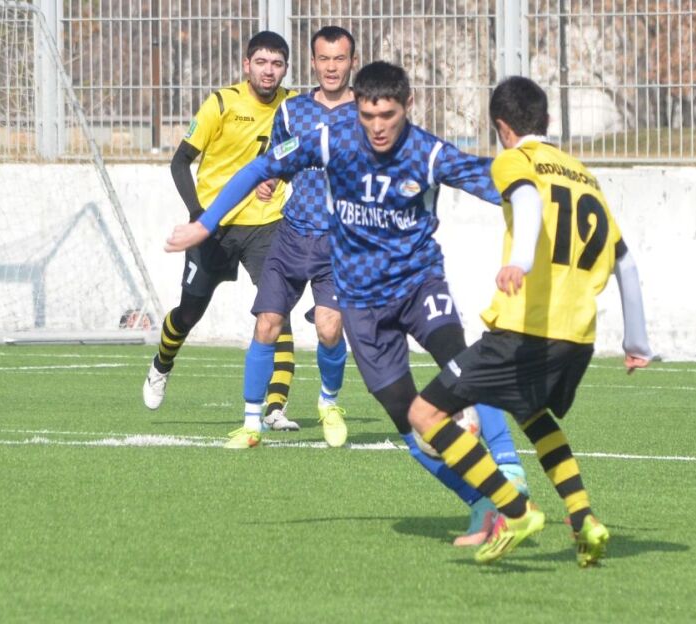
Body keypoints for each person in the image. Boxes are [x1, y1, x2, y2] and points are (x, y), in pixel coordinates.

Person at [164, 61, 530, 546]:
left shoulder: (428, 152)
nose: (377, 126)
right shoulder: (328, 140)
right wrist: (205, 224)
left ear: (408, 106)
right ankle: (482, 504)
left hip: (419, 285)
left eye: (388, 115)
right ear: (357, 107)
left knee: (458, 360)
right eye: (368, 115)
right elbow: (260, 167)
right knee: (407, 418)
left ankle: (509, 468)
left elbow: (500, 181)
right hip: (362, 302)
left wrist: (543, 184)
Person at [407, 76, 654, 566]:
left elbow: (526, 199)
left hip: (525, 329)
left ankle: (515, 511)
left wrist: (520, 260)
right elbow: (625, 262)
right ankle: (583, 517)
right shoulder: (582, 175)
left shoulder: (513, 160)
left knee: (424, 414)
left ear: (502, 127)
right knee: (532, 412)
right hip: (577, 336)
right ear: (548, 120)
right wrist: (637, 342)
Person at [142, 31, 298, 413]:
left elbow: (300, 157)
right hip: (214, 226)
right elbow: (180, 161)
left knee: (276, 310)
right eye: (261, 62)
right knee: (189, 312)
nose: (268, 71)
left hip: (266, 224)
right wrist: (199, 215)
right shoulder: (222, 103)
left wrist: (280, 179)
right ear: (247, 65)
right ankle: (162, 363)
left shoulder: (294, 107)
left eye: (276, 64)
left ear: (285, 69)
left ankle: (276, 407)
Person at [224, 26, 358, 449]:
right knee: (267, 323)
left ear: (352, 62)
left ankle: (328, 403)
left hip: (340, 243)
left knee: (329, 328)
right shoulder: (292, 111)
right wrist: (269, 180)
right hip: (292, 235)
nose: (331, 67)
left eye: (339, 58)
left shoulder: (369, 113)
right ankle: (251, 424)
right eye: (324, 59)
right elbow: (279, 159)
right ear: (313, 62)